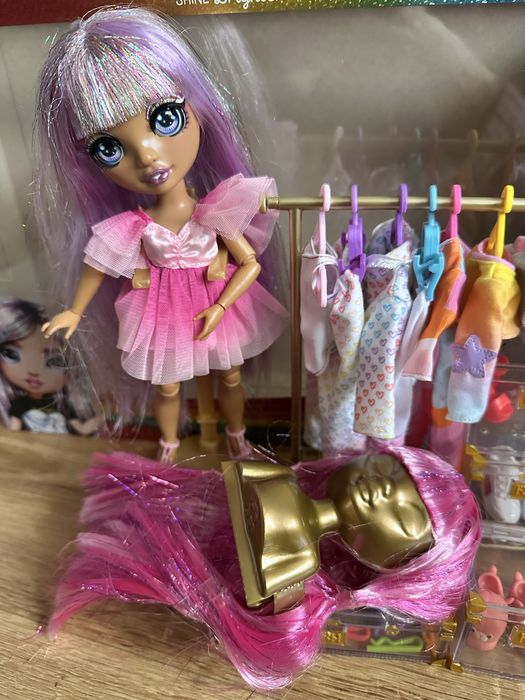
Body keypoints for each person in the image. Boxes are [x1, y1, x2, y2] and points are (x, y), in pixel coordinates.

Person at [34, 6, 287, 462]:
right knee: (168, 386)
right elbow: (97, 265)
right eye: (109, 148)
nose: (149, 155)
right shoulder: (134, 225)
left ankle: (237, 436)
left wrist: (222, 305)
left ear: (201, 109)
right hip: (164, 313)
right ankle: (169, 445)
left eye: (165, 118)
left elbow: (248, 262)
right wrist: (74, 310)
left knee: (230, 375)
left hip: (214, 303)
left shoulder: (216, 211)